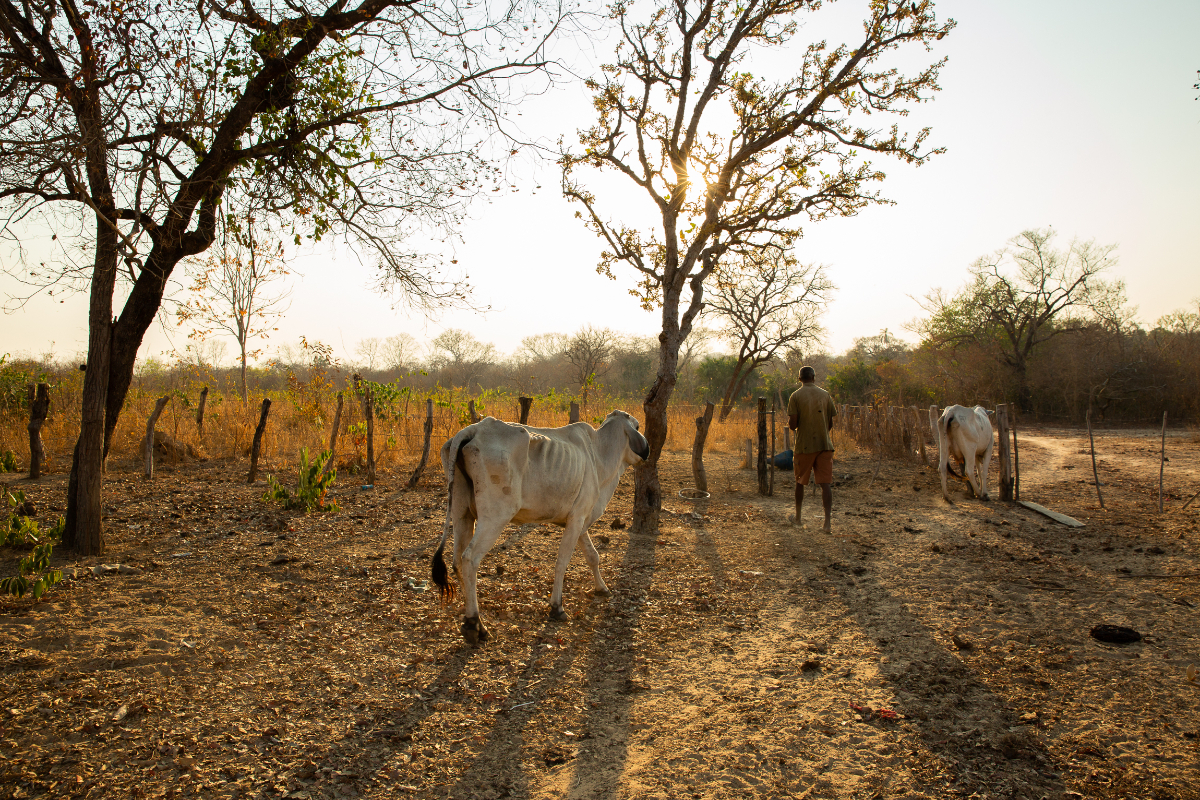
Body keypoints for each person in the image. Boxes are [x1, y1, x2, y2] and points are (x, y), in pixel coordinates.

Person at [787, 365, 837, 531]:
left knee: (800, 482)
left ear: (799, 379)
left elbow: (793, 425)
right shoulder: (825, 394)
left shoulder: (795, 396)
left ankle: (799, 517)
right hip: (825, 445)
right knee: (825, 484)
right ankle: (827, 523)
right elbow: (830, 422)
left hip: (804, 445)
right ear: (814, 377)